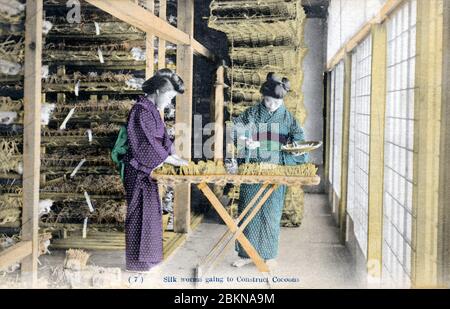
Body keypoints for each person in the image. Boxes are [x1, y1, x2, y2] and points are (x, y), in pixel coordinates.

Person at [231, 72, 309, 270]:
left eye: (276, 102)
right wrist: (244, 140)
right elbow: (236, 129)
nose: (271, 105)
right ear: (262, 97)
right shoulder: (252, 113)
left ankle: (269, 254)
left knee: (271, 212)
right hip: (253, 168)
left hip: (276, 168)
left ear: (282, 100)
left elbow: (299, 141)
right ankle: (245, 253)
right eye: (267, 101)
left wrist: (279, 145)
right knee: (248, 211)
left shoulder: (289, 118)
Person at [123, 68, 188, 273]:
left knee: (150, 215)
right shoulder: (141, 110)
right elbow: (144, 144)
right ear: (159, 92)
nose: (169, 103)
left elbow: (161, 140)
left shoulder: (151, 110)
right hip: (138, 171)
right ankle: (137, 263)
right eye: (169, 97)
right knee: (139, 215)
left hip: (147, 171)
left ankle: (147, 260)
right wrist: (167, 158)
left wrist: (172, 155)